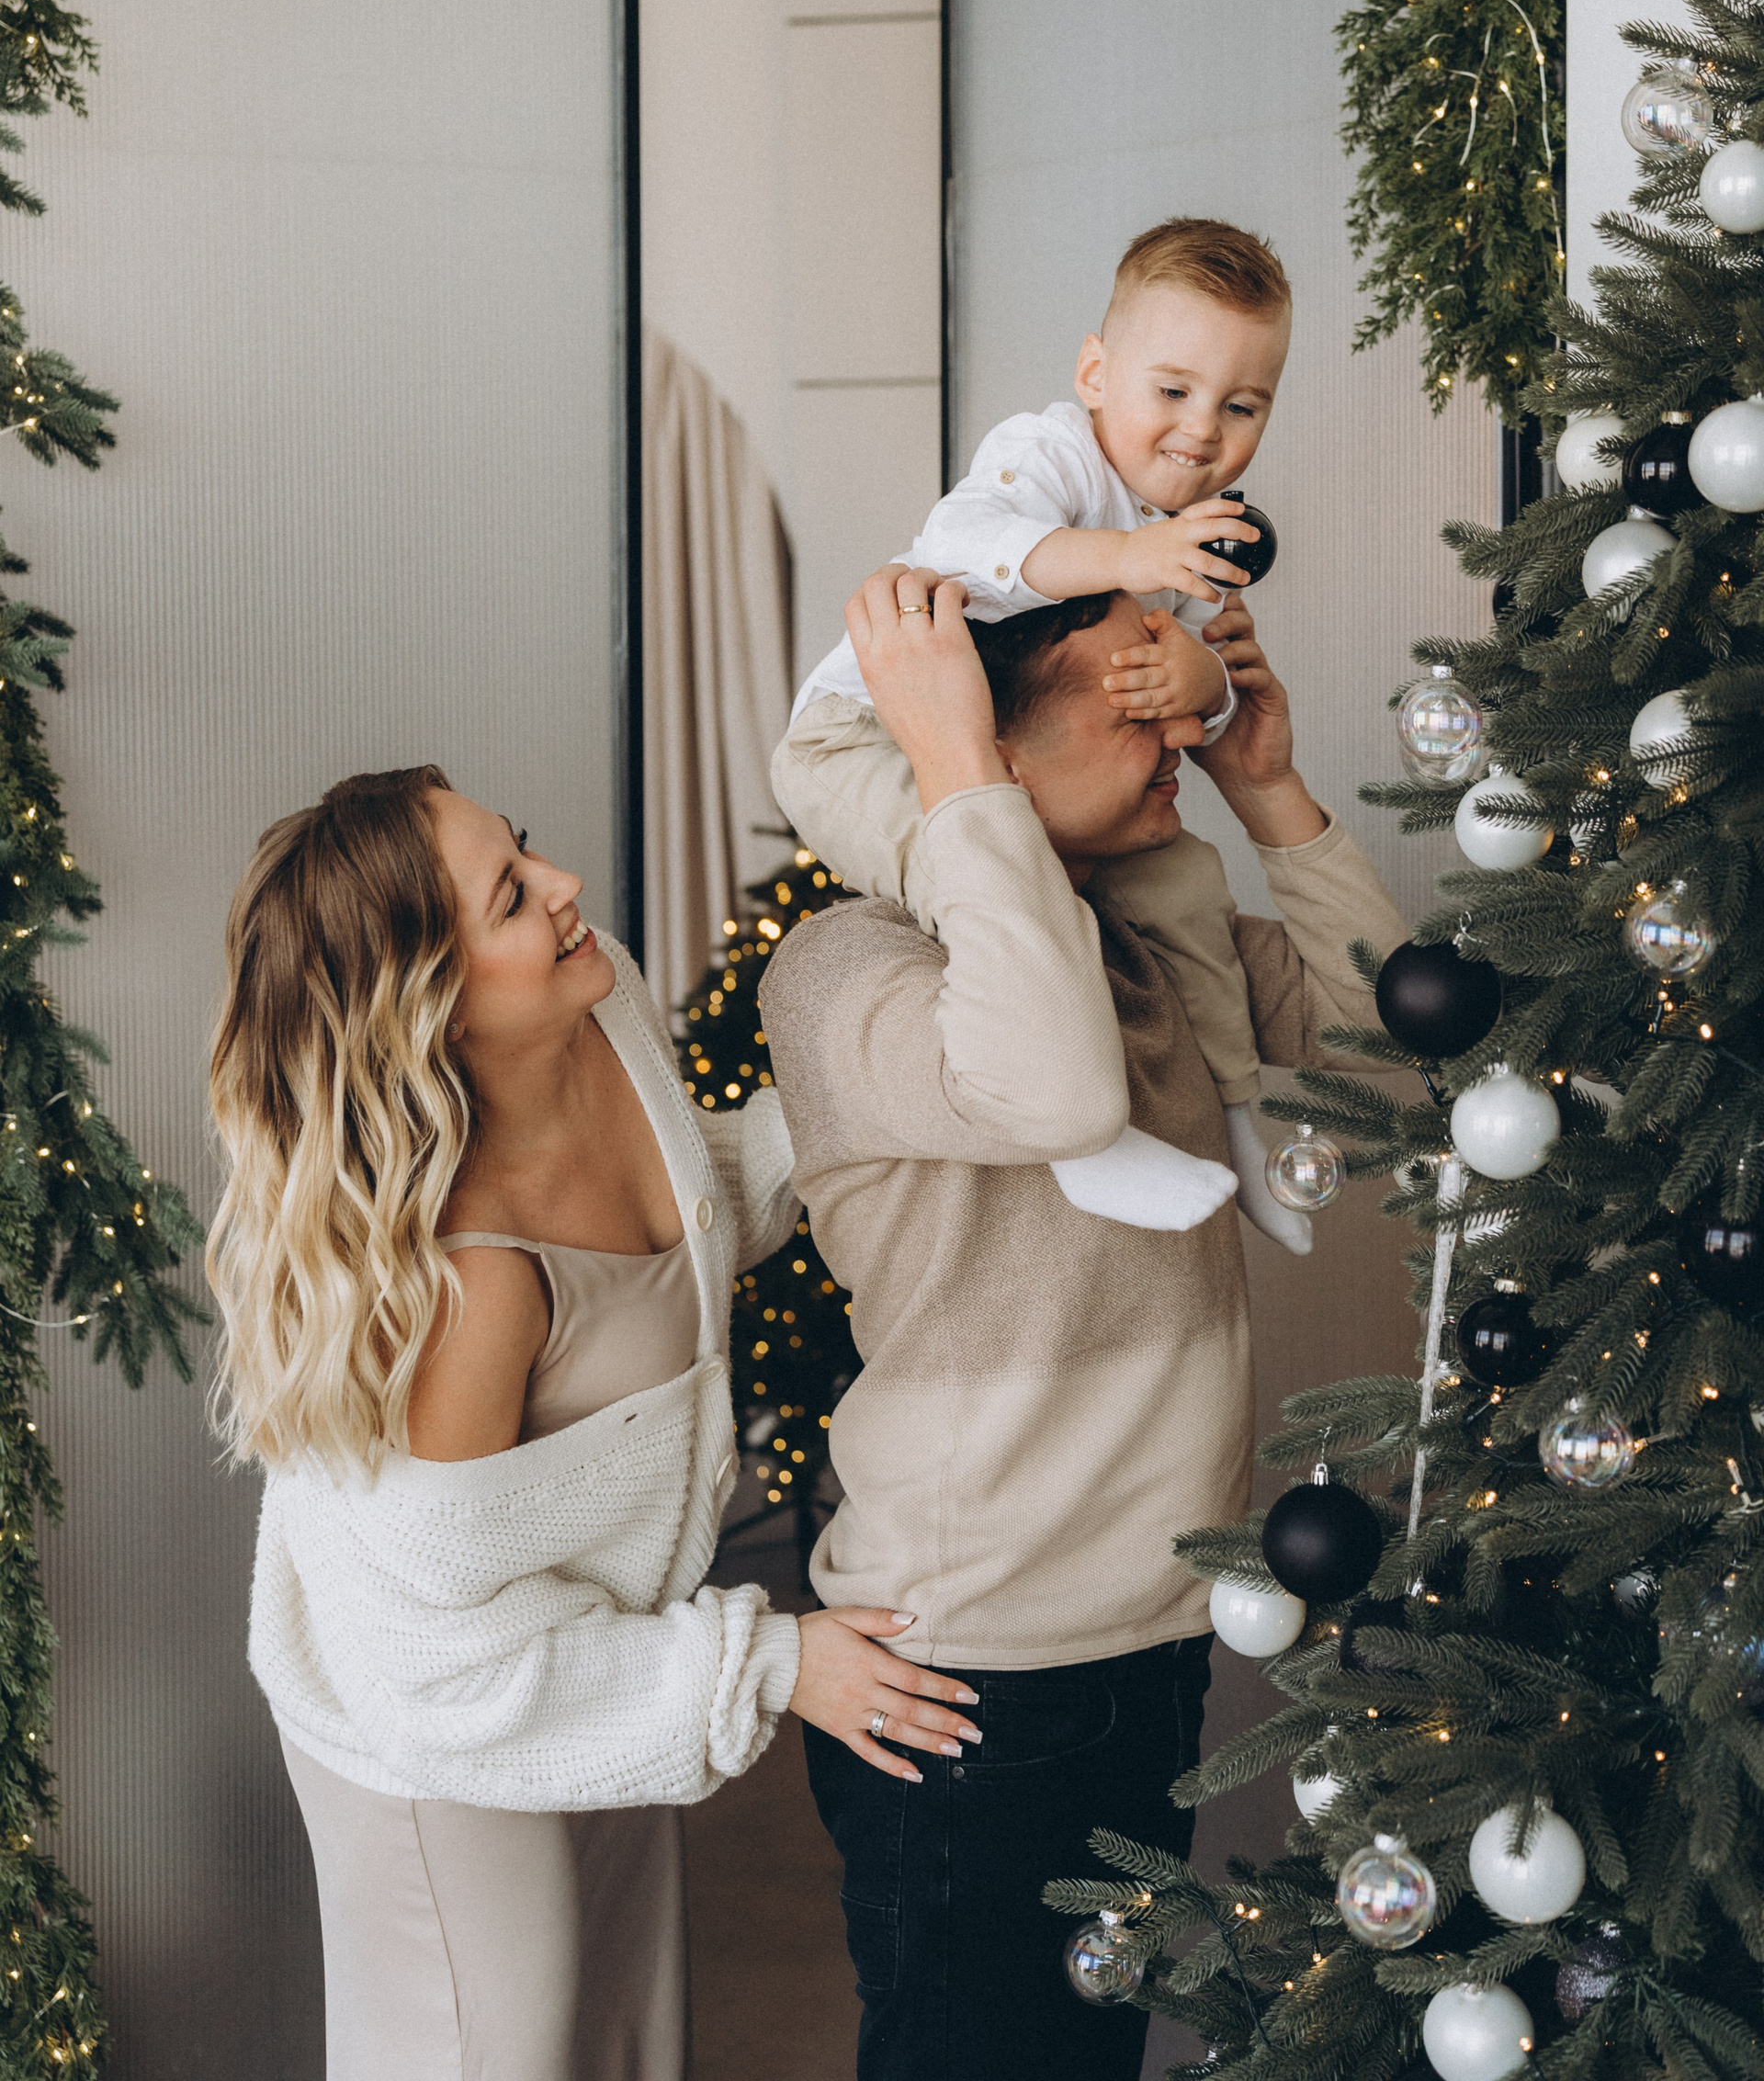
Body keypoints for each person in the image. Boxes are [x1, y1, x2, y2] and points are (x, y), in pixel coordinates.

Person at [207, 765, 980, 2081]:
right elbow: (445, 1669)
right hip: (436, 1720)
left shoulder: (595, 1001)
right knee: (505, 2050)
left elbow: (678, 1221)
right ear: (431, 1002)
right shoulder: (469, 1287)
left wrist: (869, 1103)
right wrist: (772, 1663)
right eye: (511, 898)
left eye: (526, 850)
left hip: (602, 1647)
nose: (565, 889)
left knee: (626, 2036)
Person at [757, 570, 1409, 2081]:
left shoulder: (1144, 947)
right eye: (1127, 701)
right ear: (983, 738)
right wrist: (951, 764)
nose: (1175, 721)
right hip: (968, 1670)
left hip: (1149, 1639)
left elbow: (1397, 1019)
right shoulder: (849, 968)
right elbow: (1051, 1090)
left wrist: (1267, 786)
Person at [773, 214, 1310, 1251]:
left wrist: (1200, 676)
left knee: (1190, 886)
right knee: (982, 882)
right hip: (865, 741)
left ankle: (1239, 1119)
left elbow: (1205, 701)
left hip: (1017, 767)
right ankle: (1078, 1140)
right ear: (1096, 374)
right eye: (1173, 390)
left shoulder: (1188, 532)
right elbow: (963, 547)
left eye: (1242, 406)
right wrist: (1132, 557)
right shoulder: (1050, 453)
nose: (1203, 430)